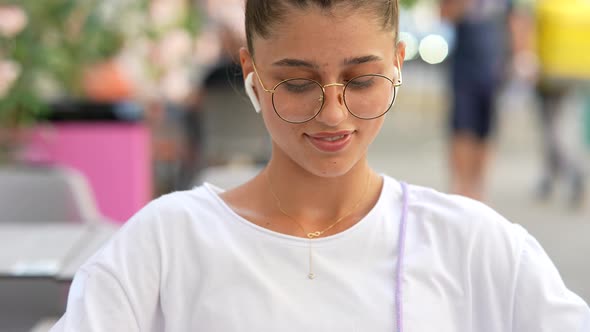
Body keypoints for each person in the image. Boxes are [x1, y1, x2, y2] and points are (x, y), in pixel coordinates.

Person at [51, 0, 590, 331]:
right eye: (298, 83)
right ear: (252, 72)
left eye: (360, 81)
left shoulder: (476, 247)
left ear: (397, 64)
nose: (333, 114)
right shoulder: (168, 244)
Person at [440, 0, 514, 200]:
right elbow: (443, 14)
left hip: (494, 70)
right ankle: (460, 187)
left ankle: (479, 188)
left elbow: (514, 21)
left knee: (486, 131)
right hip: (464, 70)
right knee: (462, 129)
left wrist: (520, 55)